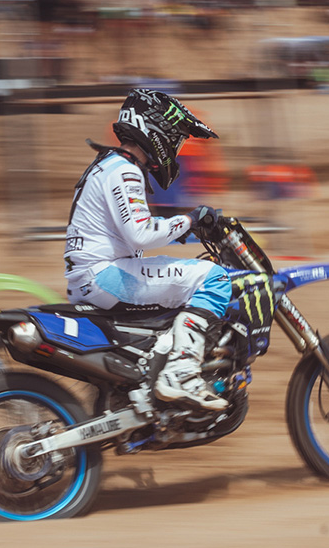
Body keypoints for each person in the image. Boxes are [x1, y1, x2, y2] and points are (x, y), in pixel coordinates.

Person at [64, 88, 231, 410]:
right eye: (176, 139)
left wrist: (184, 228)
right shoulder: (124, 170)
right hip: (103, 276)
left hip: (94, 276)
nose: (177, 149)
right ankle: (181, 373)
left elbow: (132, 231)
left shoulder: (110, 165)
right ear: (157, 130)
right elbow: (141, 233)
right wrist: (191, 219)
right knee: (214, 278)